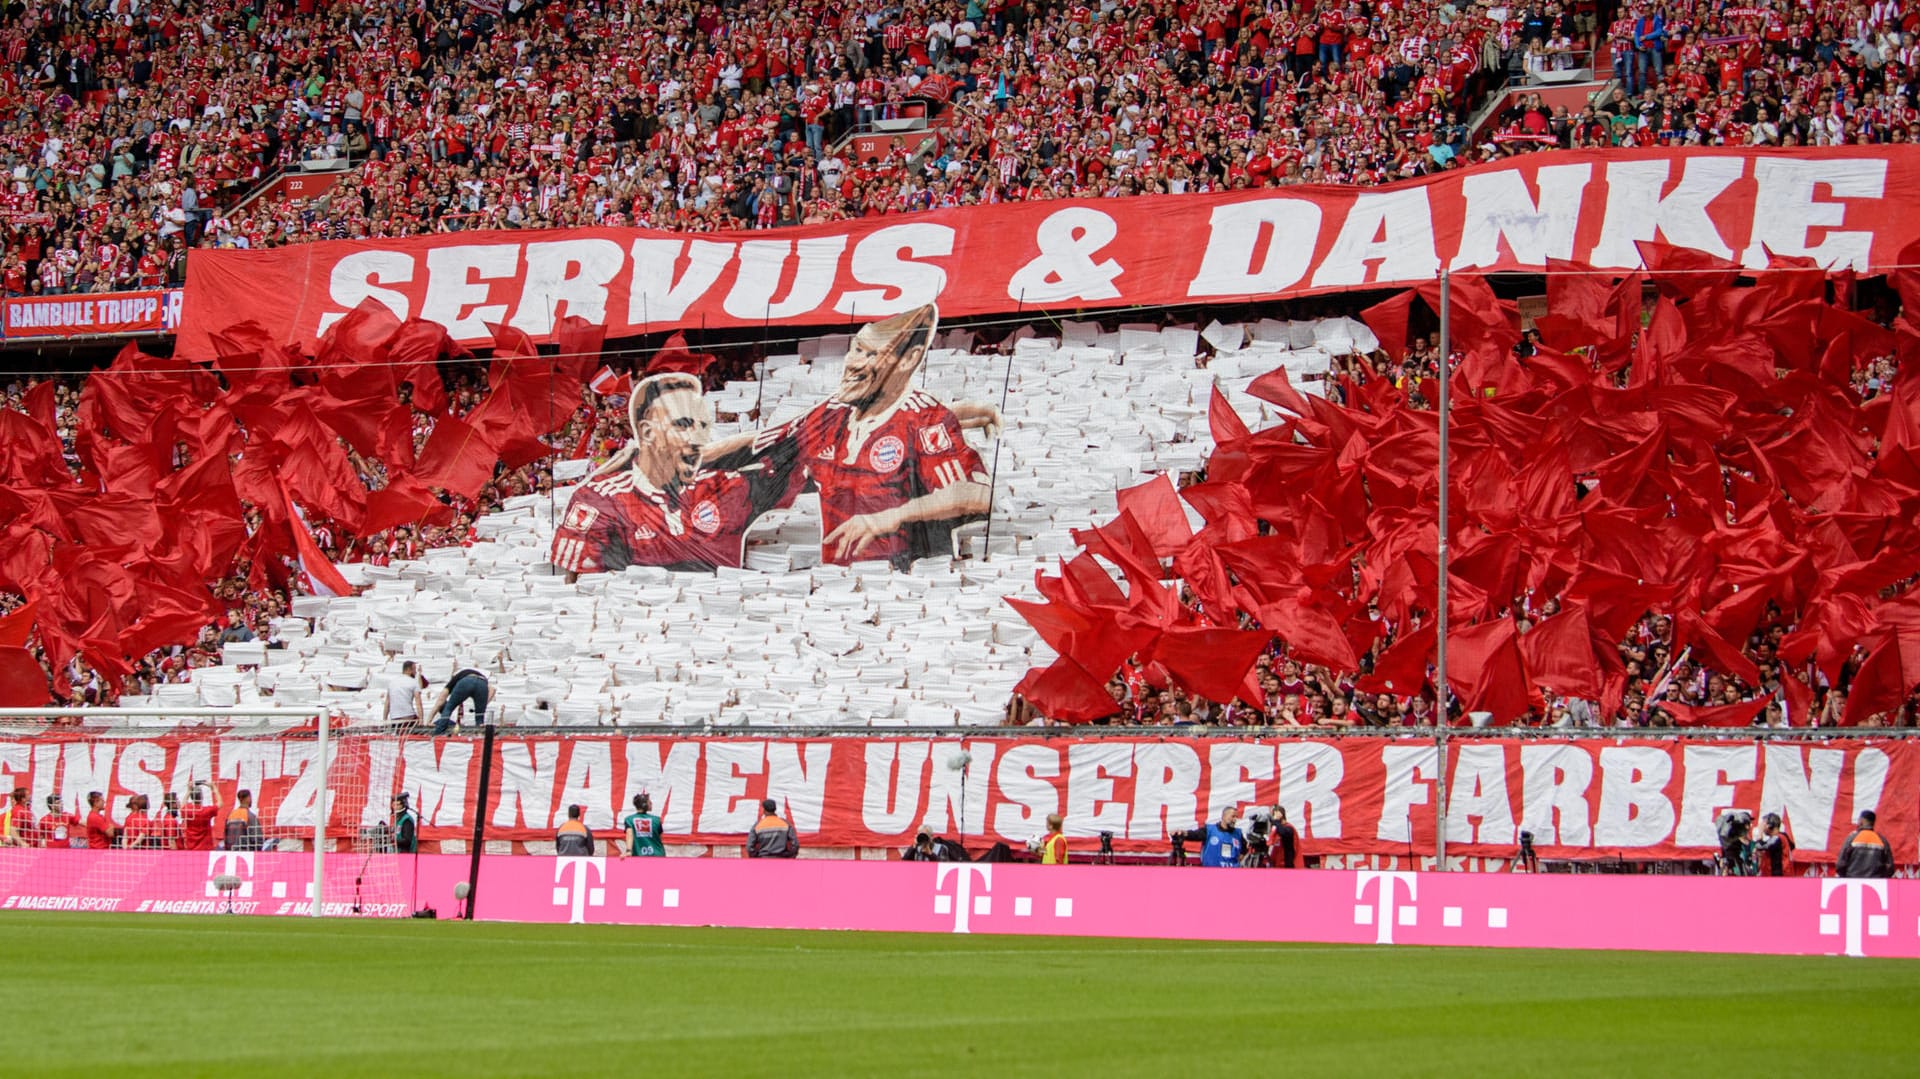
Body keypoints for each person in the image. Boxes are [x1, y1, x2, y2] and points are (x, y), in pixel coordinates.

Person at [709, 304, 993, 568]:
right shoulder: (830, 415)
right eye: (856, 349)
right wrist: (694, 456)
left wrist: (889, 518)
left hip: (901, 583)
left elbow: (977, 495)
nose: (855, 363)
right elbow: (761, 443)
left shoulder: (925, 419)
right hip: (839, 584)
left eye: (871, 354)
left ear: (907, 360)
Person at [550, 373, 804, 575]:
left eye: (701, 425)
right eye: (683, 425)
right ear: (648, 432)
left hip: (714, 621)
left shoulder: (725, 486)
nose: (696, 436)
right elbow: (578, 581)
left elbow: (804, 462)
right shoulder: (599, 501)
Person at [429, 666, 490, 735]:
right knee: (480, 716)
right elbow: (492, 689)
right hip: (483, 683)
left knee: (449, 708)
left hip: (467, 681)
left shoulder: (454, 679)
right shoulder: (475, 674)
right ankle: (480, 735)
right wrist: (483, 705)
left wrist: (429, 720)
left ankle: (438, 733)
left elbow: (440, 700)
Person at [1837, 810, 1895, 879]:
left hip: (1853, 882)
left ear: (1861, 821)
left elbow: (1840, 864)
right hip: (1876, 884)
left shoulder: (1852, 838)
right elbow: (1890, 867)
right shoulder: (1882, 840)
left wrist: (1847, 878)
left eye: (1858, 820)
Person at [619, 793, 665, 857]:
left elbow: (629, 834)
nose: (651, 803)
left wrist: (628, 851)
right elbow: (660, 838)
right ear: (644, 805)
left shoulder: (629, 820)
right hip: (658, 854)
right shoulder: (656, 820)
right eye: (649, 802)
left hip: (639, 855)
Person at [180, 781, 220, 851]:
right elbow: (220, 803)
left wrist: (188, 791)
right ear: (202, 797)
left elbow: (182, 806)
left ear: (192, 797)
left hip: (191, 847)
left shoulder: (188, 811)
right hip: (206, 848)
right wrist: (214, 788)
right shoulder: (207, 811)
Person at [384, 660, 426, 727]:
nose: (415, 672)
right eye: (414, 670)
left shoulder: (392, 682)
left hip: (394, 718)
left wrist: (385, 719)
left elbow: (387, 703)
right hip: (408, 717)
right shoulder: (413, 682)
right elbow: (418, 703)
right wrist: (421, 720)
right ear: (409, 670)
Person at [1753, 812, 1794, 877]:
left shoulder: (1778, 838)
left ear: (1770, 825)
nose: (1762, 827)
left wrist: (1760, 831)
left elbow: (1760, 846)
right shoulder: (1783, 836)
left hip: (1777, 876)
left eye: (1764, 824)